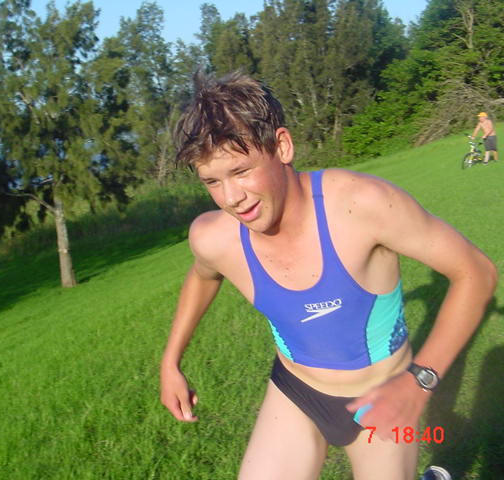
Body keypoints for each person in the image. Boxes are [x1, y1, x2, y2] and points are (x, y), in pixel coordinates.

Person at [159, 71, 497, 480]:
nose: (231, 198)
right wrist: (170, 362)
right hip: (295, 393)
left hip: (381, 398)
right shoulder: (215, 238)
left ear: (282, 146)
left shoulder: (362, 205)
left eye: (242, 171)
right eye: (212, 181)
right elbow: (203, 277)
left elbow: (475, 272)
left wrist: (419, 381)